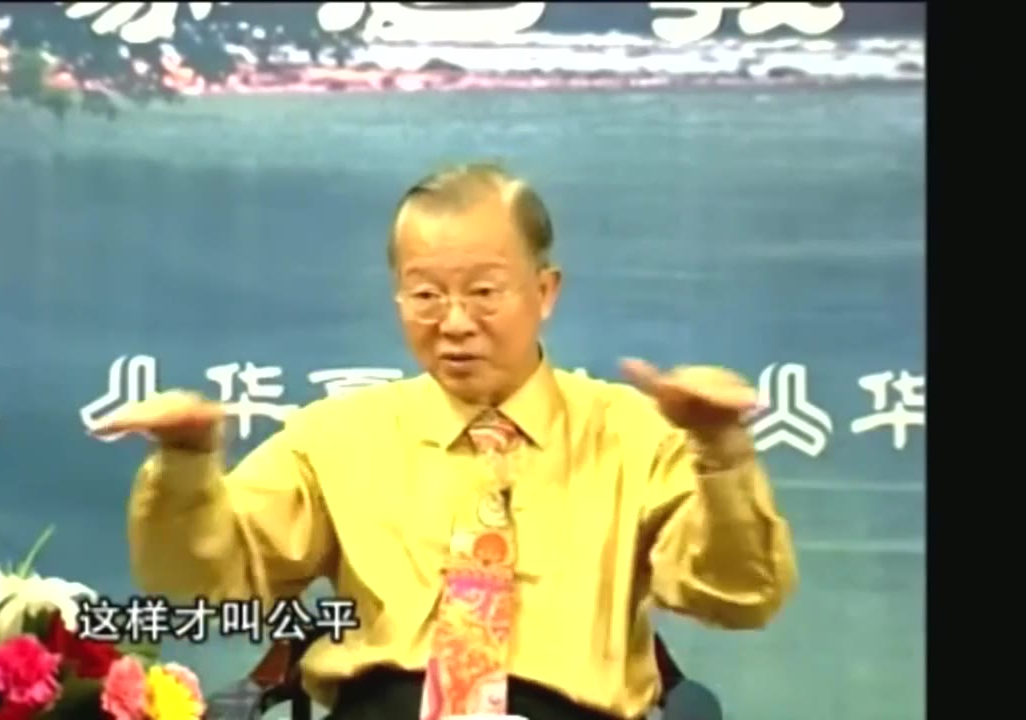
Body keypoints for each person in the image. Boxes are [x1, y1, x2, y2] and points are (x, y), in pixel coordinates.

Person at [94, 163, 798, 720]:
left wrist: (722, 454)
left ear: (545, 290)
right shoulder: (337, 435)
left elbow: (738, 597)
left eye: (484, 292)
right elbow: (204, 585)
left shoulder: (633, 434)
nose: (454, 323)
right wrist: (186, 465)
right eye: (426, 295)